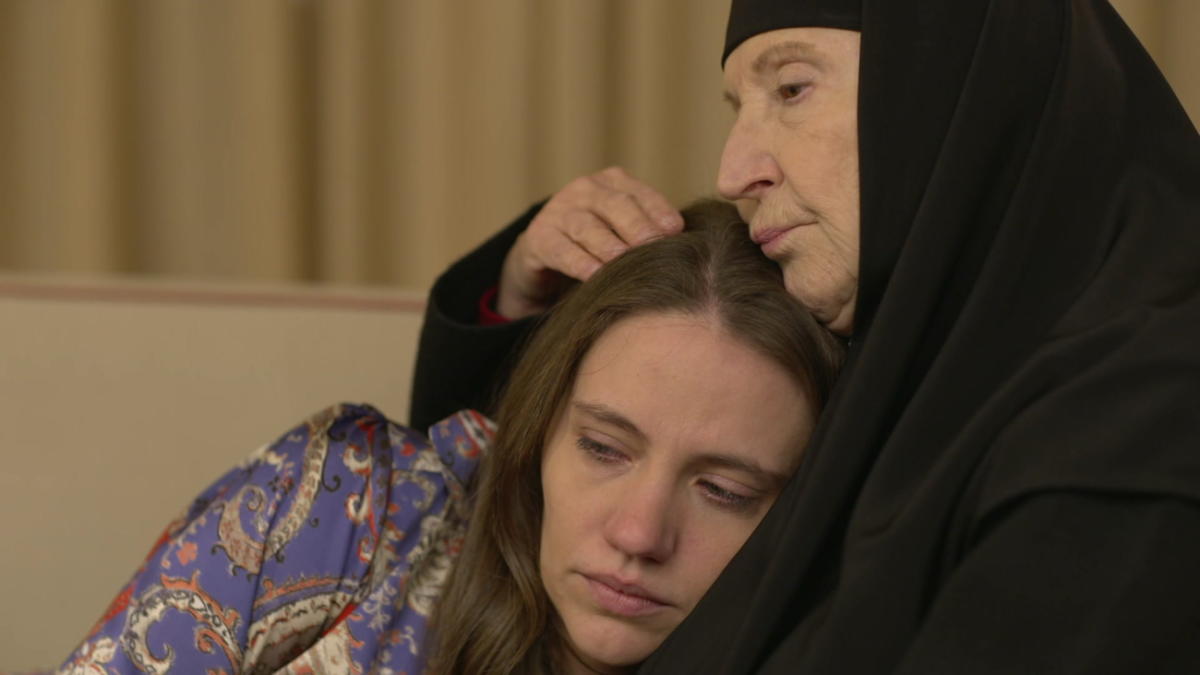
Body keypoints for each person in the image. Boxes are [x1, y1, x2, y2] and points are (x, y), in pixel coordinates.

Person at [409, 0, 1200, 672]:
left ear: (961, 87)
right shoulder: (937, 346)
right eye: (739, 108)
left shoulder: (1136, 425)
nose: (734, 171)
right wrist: (520, 297)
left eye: (791, 88)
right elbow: (469, 526)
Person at [53, 200, 843, 674]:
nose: (639, 533)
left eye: (724, 491)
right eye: (603, 448)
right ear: (535, 431)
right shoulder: (351, 504)